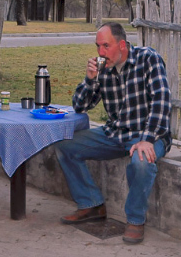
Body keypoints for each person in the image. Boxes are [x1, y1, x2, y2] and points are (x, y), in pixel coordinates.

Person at [54, 22, 172, 245]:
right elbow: (80, 106)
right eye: (98, 46)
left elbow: (162, 101)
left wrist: (147, 139)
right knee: (64, 145)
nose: (100, 52)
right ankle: (91, 204)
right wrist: (89, 79)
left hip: (148, 133)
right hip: (115, 133)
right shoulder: (103, 68)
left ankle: (135, 220)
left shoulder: (148, 59)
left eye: (105, 46)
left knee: (141, 162)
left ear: (122, 45)